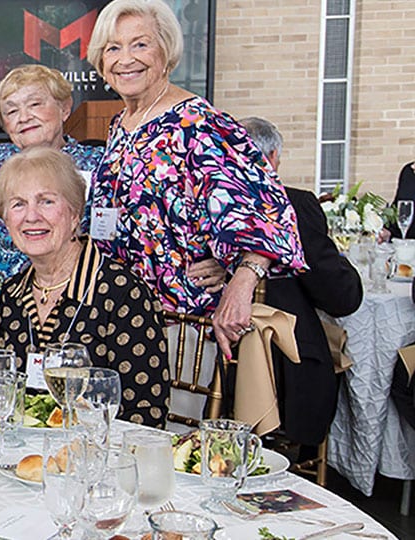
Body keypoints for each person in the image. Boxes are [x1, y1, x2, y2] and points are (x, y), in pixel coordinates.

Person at [84, 0, 304, 357]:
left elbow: (271, 210)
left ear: (166, 50)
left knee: (167, 415)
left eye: (140, 44)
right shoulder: (120, 125)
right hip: (118, 315)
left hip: (180, 322)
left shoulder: (198, 123)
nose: (125, 59)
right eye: (113, 47)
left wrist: (240, 282)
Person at [0, 147, 170, 427]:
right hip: (27, 453)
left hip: (96, 455)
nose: (31, 216)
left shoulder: (121, 292)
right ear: (5, 220)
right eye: (18, 204)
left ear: (75, 214)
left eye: (46, 201)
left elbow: (145, 414)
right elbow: (3, 394)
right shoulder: (13, 292)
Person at [242, 117, 362, 450]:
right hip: (285, 376)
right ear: (273, 158)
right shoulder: (292, 205)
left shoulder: (201, 206)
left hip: (207, 368)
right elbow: (342, 297)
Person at [0, 65, 105, 348]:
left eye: (35, 104)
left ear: (64, 108)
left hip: (65, 314)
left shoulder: (96, 166)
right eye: (11, 111)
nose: (24, 117)